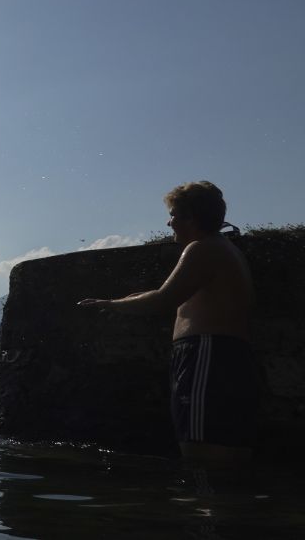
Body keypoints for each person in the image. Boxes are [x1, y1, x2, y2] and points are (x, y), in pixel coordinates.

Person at [78, 181, 258, 463]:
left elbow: (163, 299)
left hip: (207, 354)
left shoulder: (201, 249)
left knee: (201, 454)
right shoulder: (222, 249)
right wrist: (114, 301)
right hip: (225, 355)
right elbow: (164, 292)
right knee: (227, 450)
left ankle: (206, 504)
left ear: (192, 218)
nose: (169, 221)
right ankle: (225, 505)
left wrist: (112, 306)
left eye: (174, 215)